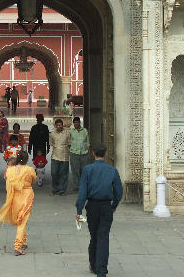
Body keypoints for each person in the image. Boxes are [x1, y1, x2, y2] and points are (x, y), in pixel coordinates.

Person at [76, 144, 122, 277]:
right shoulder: (112, 170)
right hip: (106, 206)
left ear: (93, 153)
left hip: (92, 206)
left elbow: (83, 191)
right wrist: (114, 206)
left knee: (94, 235)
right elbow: (118, 191)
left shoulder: (87, 169)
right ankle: (101, 269)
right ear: (106, 154)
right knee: (103, 236)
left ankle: (94, 264)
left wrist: (79, 209)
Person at [0, 150, 36, 256]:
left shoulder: (11, 170)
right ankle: (17, 246)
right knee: (22, 220)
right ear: (27, 160)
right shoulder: (29, 169)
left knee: (22, 219)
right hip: (27, 195)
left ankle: (24, 241)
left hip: (15, 196)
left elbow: (8, 181)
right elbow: (34, 180)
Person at [49, 118, 71, 196]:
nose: (59, 126)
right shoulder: (52, 133)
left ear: (62, 125)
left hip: (64, 156)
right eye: (57, 125)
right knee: (54, 173)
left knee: (63, 174)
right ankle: (55, 189)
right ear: (55, 126)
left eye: (60, 125)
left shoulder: (67, 133)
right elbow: (51, 143)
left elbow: (69, 143)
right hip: (55, 156)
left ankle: (62, 190)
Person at [70, 117, 91, 191]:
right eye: (74, 122)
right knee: (75, 170)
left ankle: (83, 185)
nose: (76, 124)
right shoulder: (71, 131)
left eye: (77, 122)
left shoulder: (85, 131)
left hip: (84, 154)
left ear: (79, 122)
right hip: (74, 153)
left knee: (84, 170)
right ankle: (76, 185)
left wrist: (88, 152)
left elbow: (88, 142)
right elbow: (68, 142)